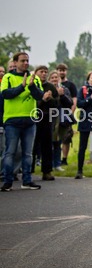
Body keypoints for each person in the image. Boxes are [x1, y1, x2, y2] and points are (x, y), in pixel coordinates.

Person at [1, 53, 43, 190]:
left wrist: (31, 86)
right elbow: (5, 94)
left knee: (28, 153)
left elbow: (39, 96)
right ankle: (8, 181)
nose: (25, 63)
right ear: (15, 62)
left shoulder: (34, 79)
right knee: (10, 152)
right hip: (12, 120)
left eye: (27, 61)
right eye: (22, 61)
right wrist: (21, 86)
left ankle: (27, 180)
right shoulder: (8, 77)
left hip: (29, 119)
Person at [32, 65, 64, 181]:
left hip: (47, 119)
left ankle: (47, 171)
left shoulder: (50, 86)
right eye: (41, 72)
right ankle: (28, 171)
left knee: (47, 145)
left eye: (46, 72)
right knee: (33, 146)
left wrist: (50, 99)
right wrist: (42, 99)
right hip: (34, 118)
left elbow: (57, 102)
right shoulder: (32, 85)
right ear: (36, 73)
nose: (44, 74)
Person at [47, 70, 75, 172]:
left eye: (56, 77)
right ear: (49, 79)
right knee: (49, 143)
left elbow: (69, 103)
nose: (54, 79)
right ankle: (48, 164)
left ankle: (57, 164)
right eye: (52, 78)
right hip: (48, 118)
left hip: (60, 119)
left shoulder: (64, 89)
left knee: (58, 142)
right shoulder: (46, 89)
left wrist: (62, 95)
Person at [55, 63, 76, 165]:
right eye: (59, 70)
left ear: (66, 71)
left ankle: (64, 159)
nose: (61, 72)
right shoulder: (53, 85)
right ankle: (55, 159)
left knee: (67, 138)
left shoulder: (70, 85)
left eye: (63, 70)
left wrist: (71, 113)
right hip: (55, 115)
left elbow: (74, 100)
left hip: (67, 114)